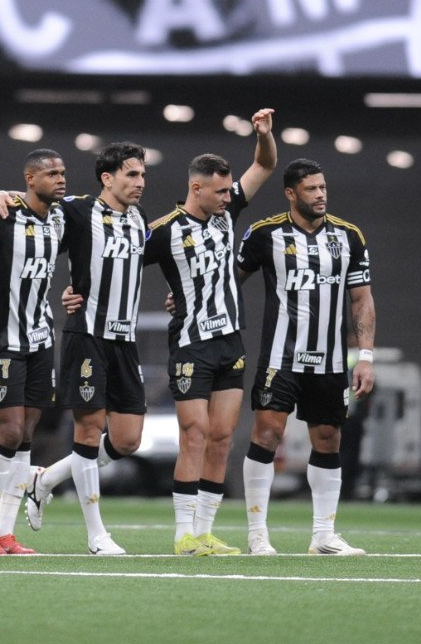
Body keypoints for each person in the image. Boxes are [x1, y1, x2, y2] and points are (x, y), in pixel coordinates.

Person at [142, 109, 276, 556]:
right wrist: (79, 292)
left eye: (228, 190)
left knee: (221, 437)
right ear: (196, 188)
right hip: (190, 344)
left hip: (230, 342)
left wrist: (264, 135)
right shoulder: (163, 232)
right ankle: (182, 534)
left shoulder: (226, 213)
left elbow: (265, 165)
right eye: (219, 191)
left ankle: (204, 531)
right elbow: (116, 263)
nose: (226, 197)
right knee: (194, 434)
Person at [17, 142, 156, 556]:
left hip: (124, 341)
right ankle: (97, 535)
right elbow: (37, 227)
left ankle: (44, 480)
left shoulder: (139, 220)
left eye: (143, 175)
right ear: (107, 178)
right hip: (87, 336)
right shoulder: (77, 211)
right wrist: (3, 197)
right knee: (89, 430)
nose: (140, 183)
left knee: (127, 441)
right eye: (132, 174)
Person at [236, 158, 375, 555]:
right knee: (267, 434)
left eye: (322, 187)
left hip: (330, 360)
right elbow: (229, 280)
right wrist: (187, 298)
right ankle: (257, 534)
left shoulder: (349, 236)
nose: (320, 195)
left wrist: (365, 355)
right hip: (281, 357)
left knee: (328, 439)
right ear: (290, 193)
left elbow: (362, 299)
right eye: (311, 189)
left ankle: (323, 536)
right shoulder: (264, 234)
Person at [0, 149, 66, 555]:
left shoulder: (60, 218)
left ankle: (6, 532)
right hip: (0, 337)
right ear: (30, 178)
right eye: (52, 174)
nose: (60, 179)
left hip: (40, 337)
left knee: (26, 434)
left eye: (63, 173)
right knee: (7, 431)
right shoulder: (2, 213)